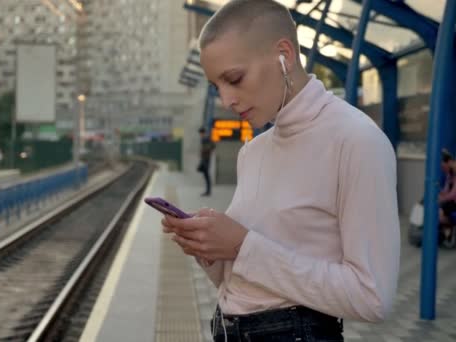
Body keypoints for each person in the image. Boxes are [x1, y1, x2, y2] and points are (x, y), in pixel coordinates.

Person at [160, 1, 400, 341]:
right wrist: (209, 248)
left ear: (284, 55)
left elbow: (372, 297)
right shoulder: (254, 152)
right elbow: (250, 280)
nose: (227, 100)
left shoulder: (356, 140)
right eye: (217, 86)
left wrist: (242, 246)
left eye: (234, 78)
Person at [438, 148, 456, 246]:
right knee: (440, 208)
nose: (443, 169)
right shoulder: (450, 173)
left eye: (443, 166)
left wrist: (442, 198)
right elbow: (446, 189)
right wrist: (439, 193)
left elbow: (453, 194)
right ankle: (447, 234)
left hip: (454, 201)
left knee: (441, 210)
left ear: (449, 162)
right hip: (451, 202)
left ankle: (449, 233)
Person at [198, 127, 215, 196]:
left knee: (207, 175)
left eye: (201, 133)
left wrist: (205, 150)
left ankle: (208, 191)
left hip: (206, 158)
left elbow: (213, 146)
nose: (200, 135)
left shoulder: (206, 138)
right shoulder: (203, 138)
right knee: (205, 175)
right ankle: (207, 190)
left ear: (202, 133)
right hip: (204, 158)